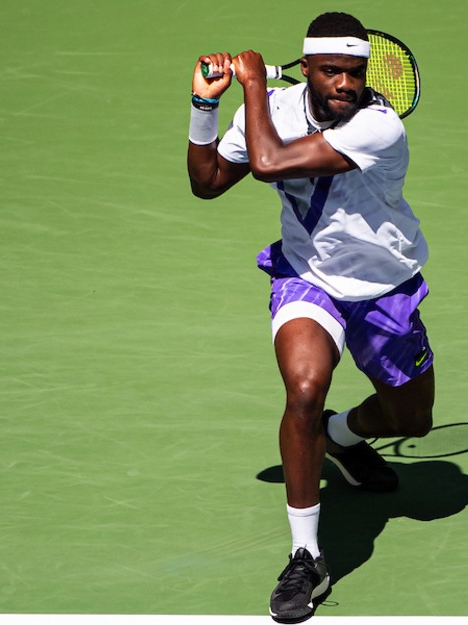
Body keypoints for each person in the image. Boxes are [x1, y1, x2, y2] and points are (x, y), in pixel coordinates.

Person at [186, 11, 435, 623]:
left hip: (384, 287)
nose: (346, 84)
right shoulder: (270, 109)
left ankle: (343, 435)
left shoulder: (378, 126)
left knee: (413, 420)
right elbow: (210, 181)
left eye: (355, 72)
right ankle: (306, 555)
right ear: (308, 69)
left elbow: (269, 164)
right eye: (332, 72)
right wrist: (203, 105)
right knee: (302, 389)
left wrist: (248, 88)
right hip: (307, 278)